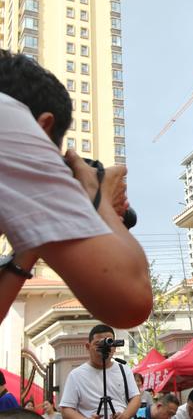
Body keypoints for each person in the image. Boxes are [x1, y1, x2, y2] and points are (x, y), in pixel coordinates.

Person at [0, 51, 152, 328]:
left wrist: (35, 238)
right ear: (43, 127)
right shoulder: (7, 115)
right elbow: (130, 301)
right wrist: (96, 196)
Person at [60, 324, 140, 419]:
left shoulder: (124, 369)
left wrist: (125, 415)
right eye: (98, 343)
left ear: (114, 347)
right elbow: (66, 409)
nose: (105, 347)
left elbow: (135, 398)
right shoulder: (76, 375)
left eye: (109, 342)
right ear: (88, 346)